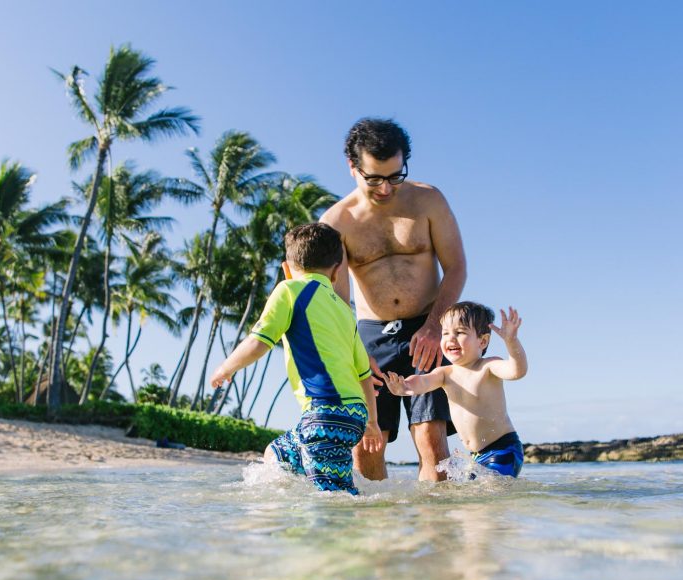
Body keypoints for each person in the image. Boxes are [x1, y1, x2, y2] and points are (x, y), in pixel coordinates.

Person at [321, 118, 467, 482]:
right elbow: (336, 303)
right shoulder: (337, 222)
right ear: (352, 168)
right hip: (371, 335)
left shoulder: (428, 200)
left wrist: (435, 326)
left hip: (427, 327)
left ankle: (438, 534)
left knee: (431, 440)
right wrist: (358, 353)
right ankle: (381, 538)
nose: (386, 188)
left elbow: (456, 267)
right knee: (367, 446)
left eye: (394, 176)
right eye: (374, 178)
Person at [210, 223, 382, 494]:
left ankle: (363, 529)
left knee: (335, 500)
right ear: (337, 271)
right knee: (276, 456)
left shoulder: (289, 290)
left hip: (325, 414)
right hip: (354, 415)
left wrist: (226, 367)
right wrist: (372, 423)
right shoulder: (344, 311)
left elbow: (259, 341)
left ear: (287, 269)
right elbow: (363, 376)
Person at [385, 302, 528, 477]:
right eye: (445, 333)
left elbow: (517, 371)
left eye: (460, 332)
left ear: (482, 341)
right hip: (477, 456)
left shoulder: (488, 366)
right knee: (472, 500)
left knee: (485, 496)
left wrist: (511, 342)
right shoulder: (445, 373)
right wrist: (405, 386)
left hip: (503, 449)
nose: (451, 338)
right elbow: (422, 381)